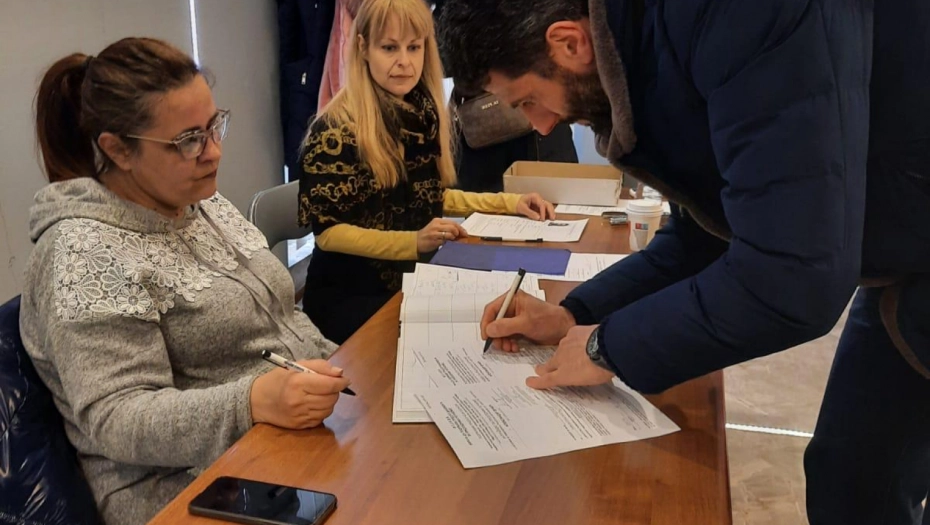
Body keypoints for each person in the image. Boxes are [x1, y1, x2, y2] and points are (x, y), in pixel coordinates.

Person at [440, 1, 930, 524]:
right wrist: (574, 314)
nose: (541, 125)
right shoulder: (657, 37)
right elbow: (703, 236)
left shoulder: (745, 15)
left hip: (909, 239)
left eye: (529, 100)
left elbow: (795, 276)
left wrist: (609, 347)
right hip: (907, 247)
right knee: (852, 481)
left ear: (569, 43)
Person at [21, 37, 351, 525]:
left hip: (274, 439)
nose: (214, 152)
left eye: (215, 126)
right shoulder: (82, 251)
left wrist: (336, 365)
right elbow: (118, 419)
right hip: (180, 490)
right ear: (118, 149)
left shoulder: (197, 200)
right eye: (188, 140)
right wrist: (251, 402)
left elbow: (279, 312)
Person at [297, 0, 554, 344]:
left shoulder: (419, 112)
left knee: (498, 318)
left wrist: (509, 203)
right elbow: (330, 234)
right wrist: (413, 241)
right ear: (363, 48)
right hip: (351, 297)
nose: (404, 61)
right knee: (463, 338)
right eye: (389, 48)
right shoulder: (334, 132)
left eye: (414, 47)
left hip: (412, 279)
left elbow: (427, 195)